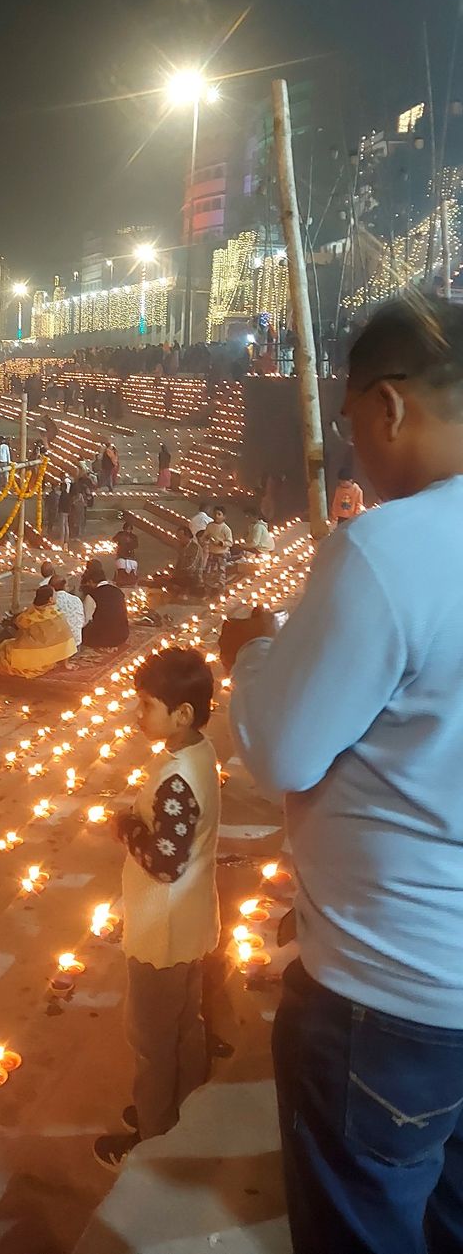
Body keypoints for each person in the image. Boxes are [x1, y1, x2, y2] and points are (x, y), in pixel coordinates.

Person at [223, 295, 463, 1254]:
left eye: (353, 420)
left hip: (388, 998)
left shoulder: (385, 551)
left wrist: (250, 656)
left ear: (391, 408)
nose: (354, 446)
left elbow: (281, 748)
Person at [94, 647, 220, 1168]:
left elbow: (165, 862)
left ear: (181, 714)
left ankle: (154, 1133)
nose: (136, 715)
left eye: (145, 705)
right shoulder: (198, 753)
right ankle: (186, 1110)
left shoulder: (175, 780)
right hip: (191, 923)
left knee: (150, 1039)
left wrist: (126, 827)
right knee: (185, 1024)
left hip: (162, 930)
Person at [0, 583, 76, 676]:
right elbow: (66, 640)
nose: (56, 597)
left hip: (23, 657)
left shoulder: (27, 614)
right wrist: (66, 664)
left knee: (3, 648)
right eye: (55, 595)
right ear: (50, 600)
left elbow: (19, 629)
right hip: (44, 660)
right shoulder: (57, 617)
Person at [81, 560, 130, 648]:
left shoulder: (92, 596)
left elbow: (86, 620)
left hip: (103, 638)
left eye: (88, 582)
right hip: (123, 635)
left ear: (91, 581)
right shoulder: (118, 591)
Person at [201, 504, 234, 589]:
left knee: (220, 573)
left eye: (219, 514)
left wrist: (220, 543)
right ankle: (208, 591)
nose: (216, 516)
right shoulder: (210, 526)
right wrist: (205, 538)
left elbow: (230, 542)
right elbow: (204, 536)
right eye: (215, 514)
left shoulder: (226, 529)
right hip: (211, 553)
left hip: (221, 554)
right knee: (208, 572)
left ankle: (219, 591)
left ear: (224, 517)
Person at [51, 575, 85, 648]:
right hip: (76, 642)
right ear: (65, 586)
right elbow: (82, 621)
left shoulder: (51, 602)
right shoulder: (76, 599)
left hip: (59, 645)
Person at [169, 524, 204, 594]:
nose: (178, 540)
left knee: (172, 583)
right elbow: (179, 562)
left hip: (193, 577)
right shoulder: (181, 546)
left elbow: (192, 567)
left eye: (180, 537)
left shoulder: (195, 547)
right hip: (183, 574)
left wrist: (179, 573)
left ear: (187, 536)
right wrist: (174, 572)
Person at [113, 515, 139, 586]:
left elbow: (136, 545)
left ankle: (131, 578)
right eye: (126, 529)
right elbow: (114, 539)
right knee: (120, 565)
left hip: (130, 554)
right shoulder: (120, 534)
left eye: (129, 530)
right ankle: (118, 578)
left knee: (131, 566)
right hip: (121, 552)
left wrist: (130, 543)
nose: (128, 531)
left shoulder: (134, 537)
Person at [67, 478, 87, 546]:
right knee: (75, 523)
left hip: (78, 511)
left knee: (76, 523)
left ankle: (76, 535)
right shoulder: (75, 496)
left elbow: (80, 503)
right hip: (76, 511)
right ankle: (74, 535)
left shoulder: (79, 496)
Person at [57, 478, 71, 545]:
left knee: (62, 526)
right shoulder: (67, 494)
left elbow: (61, 503)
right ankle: (66, 539)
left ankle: (62, 540)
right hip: (67, 511)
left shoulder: (63, 495)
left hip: (63, 511)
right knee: (66, 525)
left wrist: (60, 510)